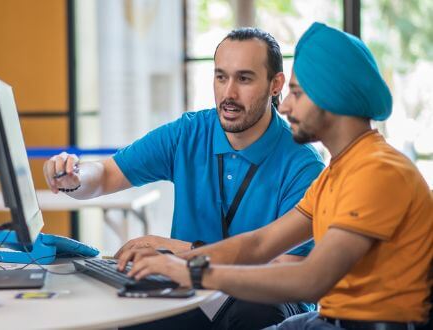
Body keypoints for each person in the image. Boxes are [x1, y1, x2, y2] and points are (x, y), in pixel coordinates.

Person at [121, 22, 433, 329]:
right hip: (328, 320)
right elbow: (259, 246)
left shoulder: (376, 172)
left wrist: (194, 273)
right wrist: (178, 263)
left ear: (332, 98)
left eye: (296, 93)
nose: (284, 106)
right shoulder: (338, 172)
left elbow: (311, 279)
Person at [44, 28, 324, 328]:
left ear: (275, 84)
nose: (228, 93)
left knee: (253, 311)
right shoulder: (188, 134)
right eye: (220, 77)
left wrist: (181, 252)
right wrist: (73, 177)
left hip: (263, 300)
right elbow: (106, 175)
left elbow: (286, 270)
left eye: (244, 79)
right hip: (190, 290)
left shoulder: (303, 165)